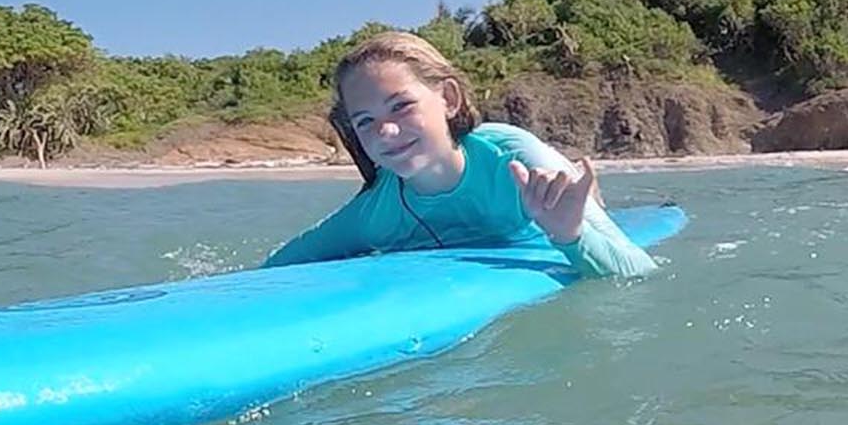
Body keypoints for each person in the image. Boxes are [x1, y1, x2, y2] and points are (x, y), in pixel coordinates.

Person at [264, 31, 658, 277]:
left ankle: (594, 198)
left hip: (546, 191)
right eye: (365, 121)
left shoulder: (517, 165)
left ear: (449, 98)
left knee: (571, 189)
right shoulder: (374, 215)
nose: (385, 130)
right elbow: (281, 264)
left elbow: (638, 269)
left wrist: (569, 234)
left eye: (401, 106)